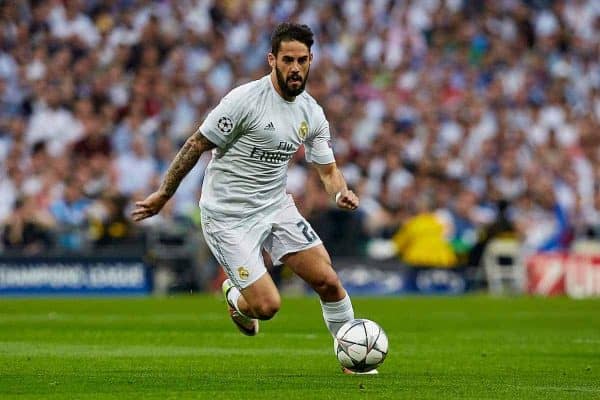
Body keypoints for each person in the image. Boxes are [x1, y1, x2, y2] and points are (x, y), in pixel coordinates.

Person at [132, 23, 371, 374]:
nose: (295, 68)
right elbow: (196, 144)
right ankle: (237, 299)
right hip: (227, 216)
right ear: (272, 59)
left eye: (302, 60)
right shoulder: (244, 101)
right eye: (287, 59)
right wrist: (164, 194)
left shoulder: (311, 112)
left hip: (275, 207)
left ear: (311, 61)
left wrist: (341, 192)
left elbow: (327, 170)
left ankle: (352, 360)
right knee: (267, 306)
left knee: (328, 281)